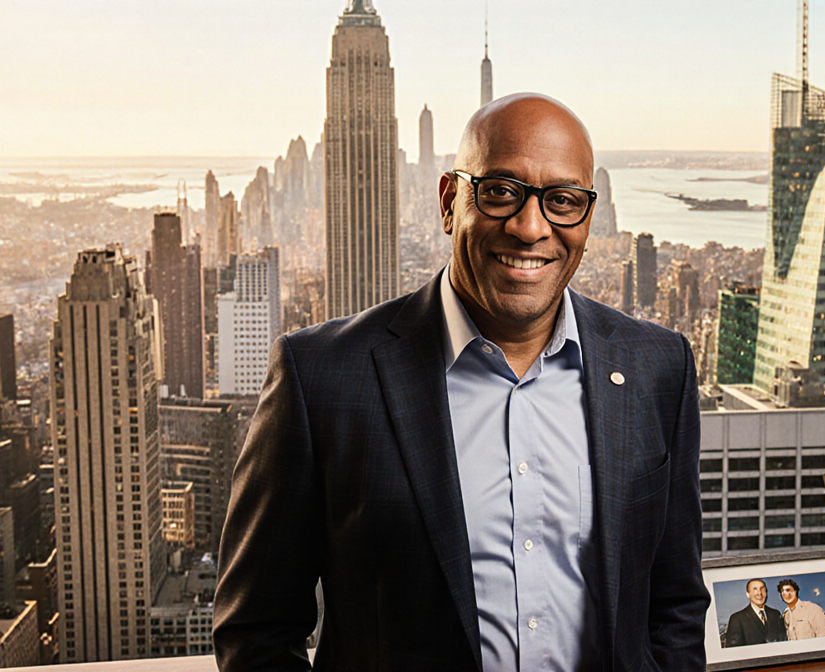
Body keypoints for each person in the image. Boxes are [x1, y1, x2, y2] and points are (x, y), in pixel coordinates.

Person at [212, 93, 710, 671]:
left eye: (563, 201)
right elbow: (257, 632)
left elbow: (674, 603)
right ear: (450, 202)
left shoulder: (657, 366)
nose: (530, 227)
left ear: (587, 217)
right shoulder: (321, 377)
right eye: (500, 192)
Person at [724, 579, 787, 647]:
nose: (759, 593)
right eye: (755, 589)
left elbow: (783, 642)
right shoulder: (737, 618)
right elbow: (733, 650)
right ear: (748, 594)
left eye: (762, 589)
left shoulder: (776, 614)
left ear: (766, 592)